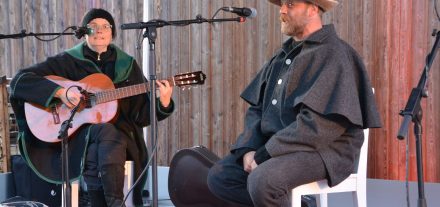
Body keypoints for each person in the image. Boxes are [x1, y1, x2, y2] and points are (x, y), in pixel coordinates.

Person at [207, 0, 382, 206]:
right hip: (282, 147)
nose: (282, 10)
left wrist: (265, 154)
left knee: (263, 181)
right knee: (221, 176)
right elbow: (258, 108)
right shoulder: (283, 55)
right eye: (282, 4)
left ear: (313, 8)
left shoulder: (334, 54)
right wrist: (249, 149)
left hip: (326, 150)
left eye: (290, 4)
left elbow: (319, 127)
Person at [9, 8, 174, 207]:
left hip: (117, 142)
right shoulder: (67, 61)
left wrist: (163, 102)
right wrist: (61, 93)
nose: (99, 31)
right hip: (74, 138)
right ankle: (115, 203)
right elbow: (21, 80)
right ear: (84, 32)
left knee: (106, 135)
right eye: (93, 27)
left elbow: (140, 116)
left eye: (105, 26)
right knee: (106, 133)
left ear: (112, 33)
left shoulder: (127, 66)